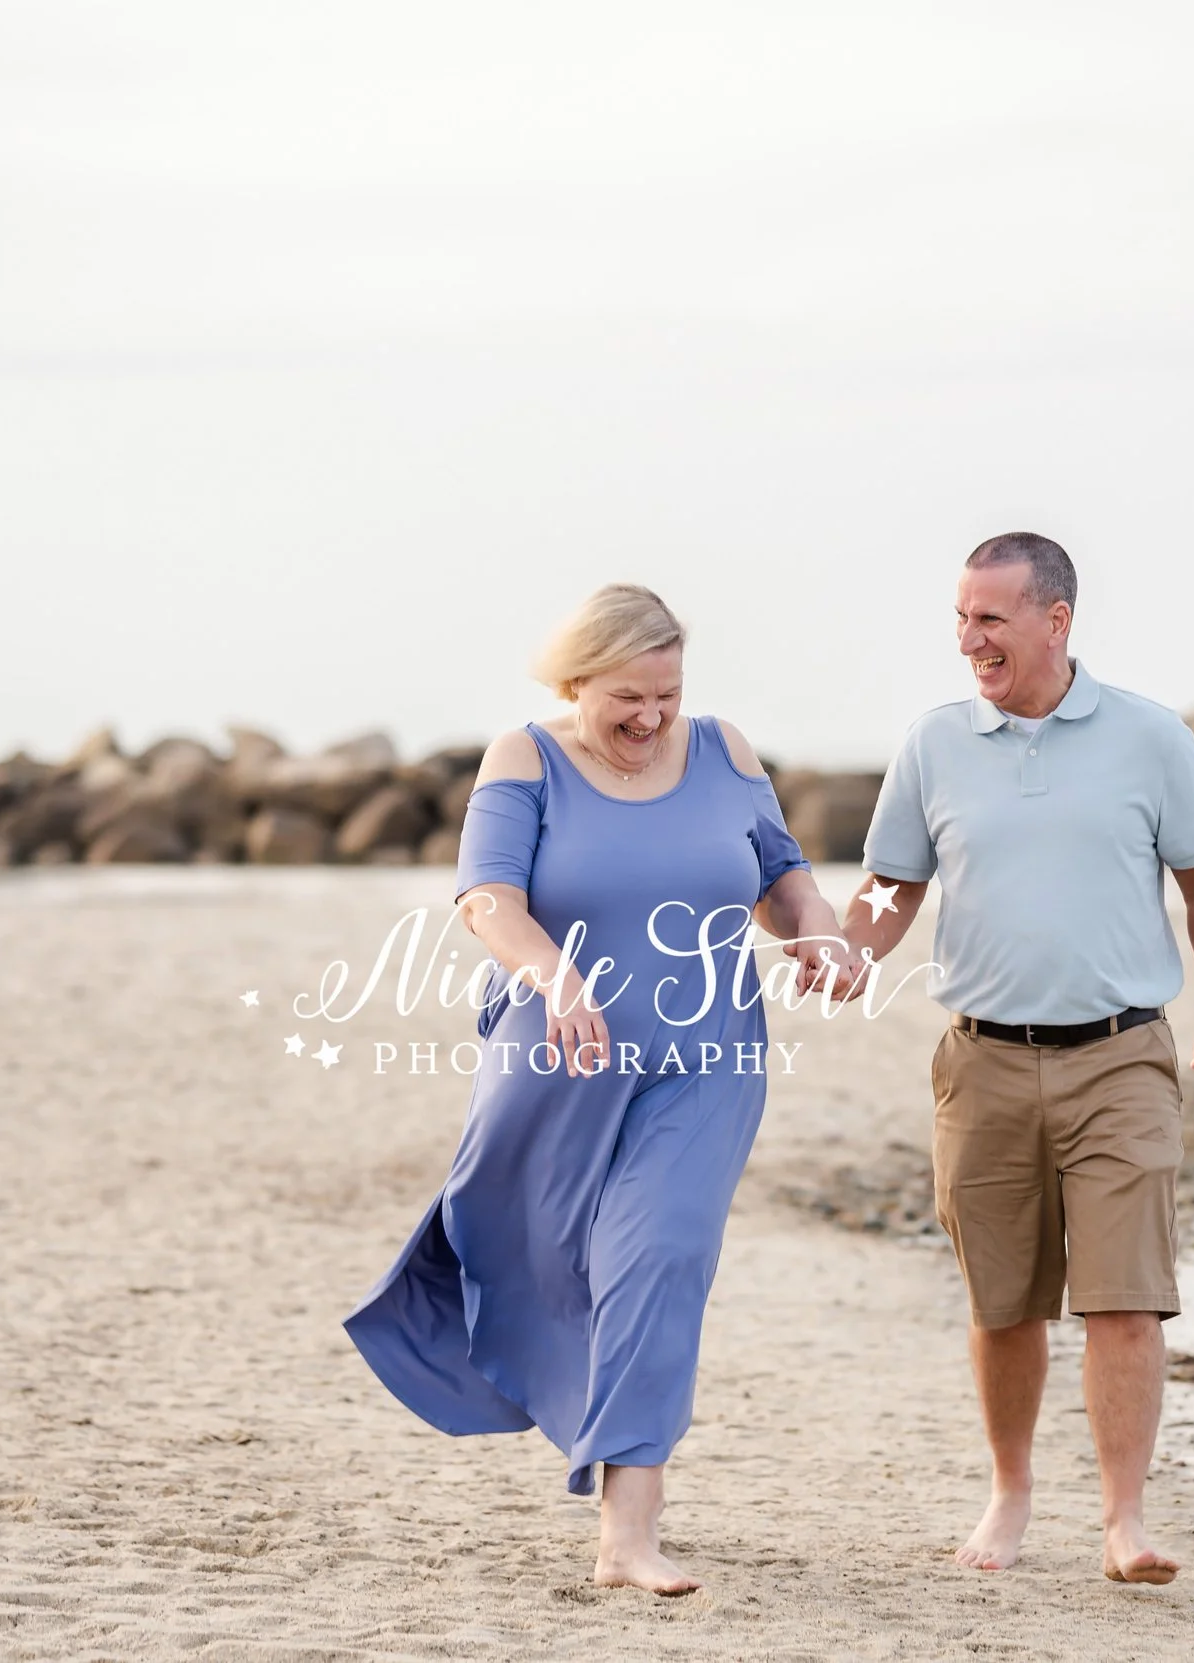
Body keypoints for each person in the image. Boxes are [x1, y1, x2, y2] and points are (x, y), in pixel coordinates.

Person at [344, 582, 851, 1596]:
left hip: (708, 1057)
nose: (652, 717)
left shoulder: (725, 751)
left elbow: (780, 874)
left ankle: (629, 1533)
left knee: (659, 1258)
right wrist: (555, 977)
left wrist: (818, 930)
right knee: (534, 1248)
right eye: (628, 696)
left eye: (667, 693)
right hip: (557, 1056)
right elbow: (486, 897)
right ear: (574, 680)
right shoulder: (524, 758)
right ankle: (489, 1347)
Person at [827, 532, 1194, 1585]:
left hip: (1119, 1053)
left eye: (991, 619)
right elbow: (893, 884)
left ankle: (1124, 1522)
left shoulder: (1151, 738)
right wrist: (848, 947)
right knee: (1003, 1301)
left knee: (1123, 1295)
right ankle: (1011, 1493)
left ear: (1054, 621)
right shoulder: (935, 743)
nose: (970, 639)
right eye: (962, 618)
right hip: (980, 1059)